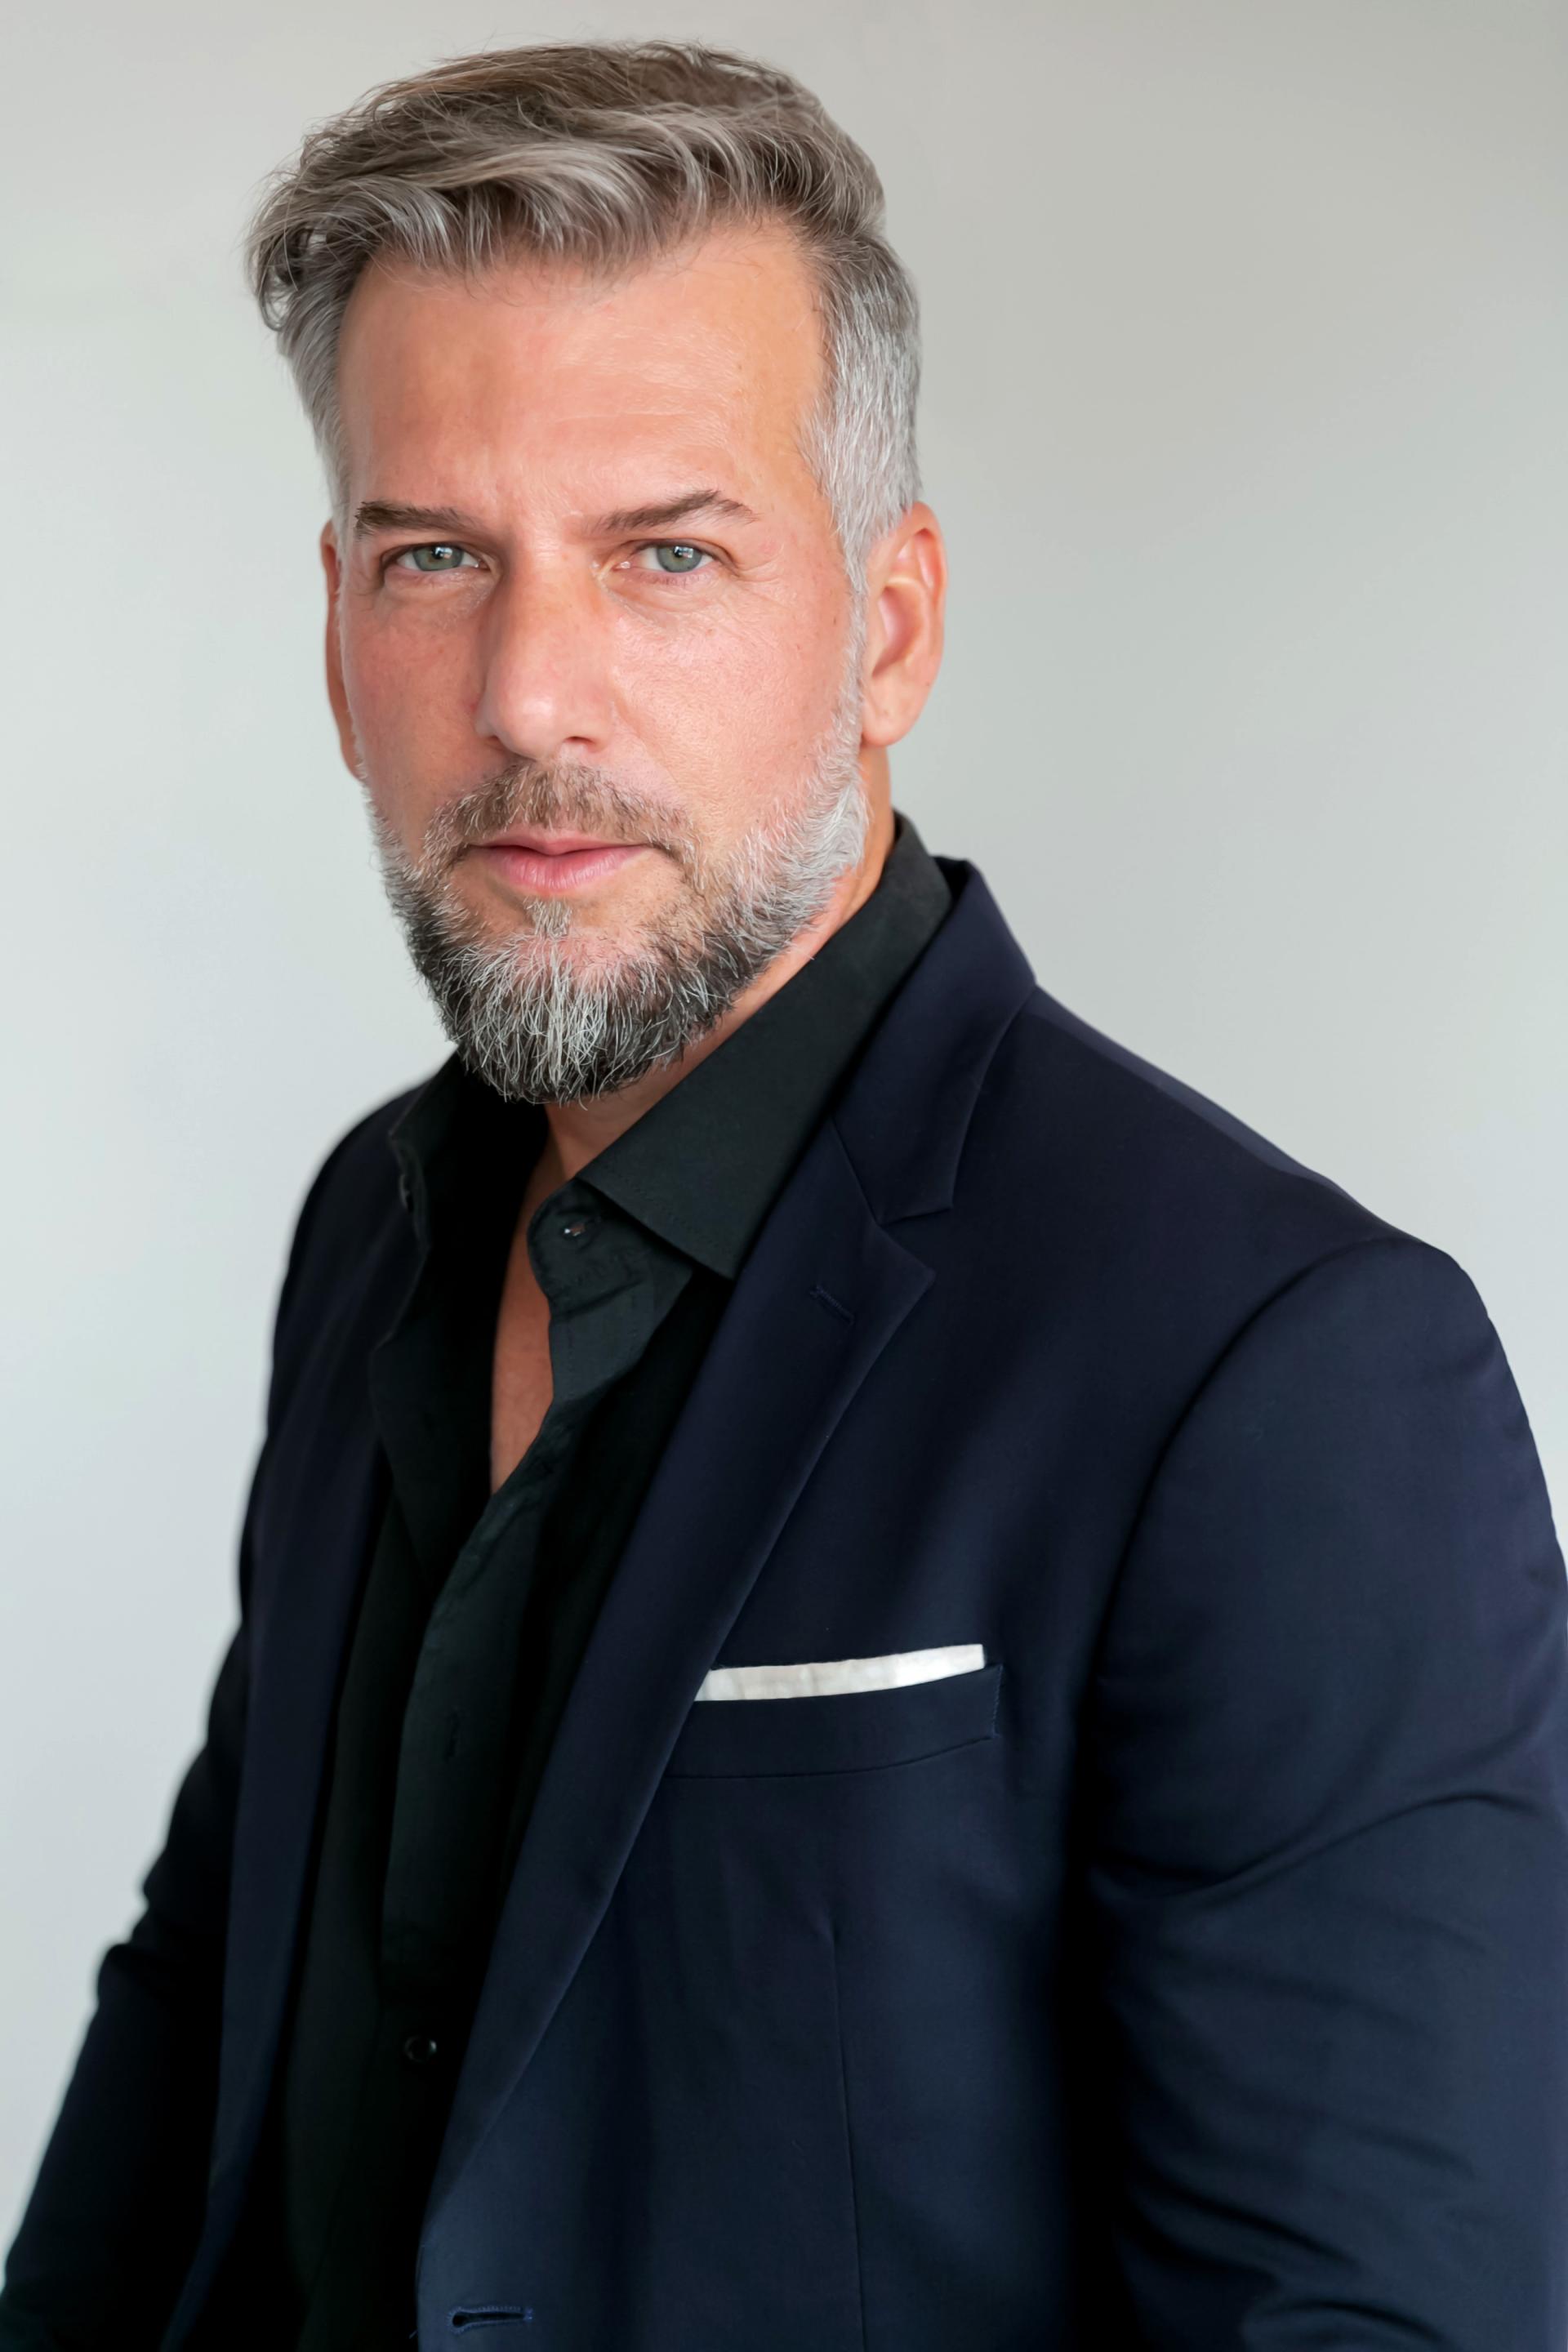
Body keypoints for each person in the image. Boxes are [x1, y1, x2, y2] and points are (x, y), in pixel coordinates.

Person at [3, 37, 1566, 2352]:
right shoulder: (373, 1230)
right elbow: (211, 1994)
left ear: (889, 628)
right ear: (338, 640)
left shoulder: (1286, 1376)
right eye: (438, 558)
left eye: (670, 554)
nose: (531, 696)